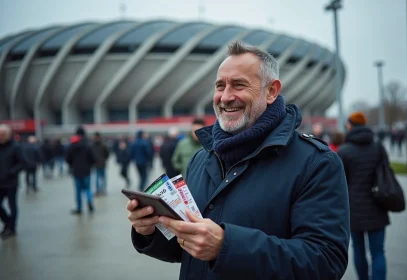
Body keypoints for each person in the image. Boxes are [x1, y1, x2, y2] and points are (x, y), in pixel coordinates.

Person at [127, 41, 350, 279]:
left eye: (239, 85)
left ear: (271, 91)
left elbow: (326, 262)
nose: (225, 97)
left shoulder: (316, 163)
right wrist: (150, 231)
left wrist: (226, 247)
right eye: (220, 86)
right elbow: (189, 247)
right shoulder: (201, 160)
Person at [338, 112, 389, 280]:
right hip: (378, 205)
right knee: (378, 252)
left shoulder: (344, 151)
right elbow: (386, 173)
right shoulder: (377, 146)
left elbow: (339, 183)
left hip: (354, 209)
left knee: (358, 250)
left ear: (350, 125)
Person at [0, 124, 25, 239]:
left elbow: (22, 163)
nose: (1, 137)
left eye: (3, 134)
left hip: (11, 182)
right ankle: (7, 222)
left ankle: (11, 228)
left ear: (9, 135)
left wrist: (12, 172)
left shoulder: (15, 147)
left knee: (12, 206)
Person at [65, 127, 96, 215]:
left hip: (76, 171)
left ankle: (79, 208)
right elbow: (92, 158)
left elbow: (67, 158)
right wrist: (90, 165)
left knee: (78, 190)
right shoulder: (87, 144)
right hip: (86, 170)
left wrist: (72, 165)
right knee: (88, 188)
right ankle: (89, 201)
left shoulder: (72, 145)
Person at [92, 132, 110, 196]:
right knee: (102, 177)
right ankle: (103, 190)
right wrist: (104, 159)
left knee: (98, 178)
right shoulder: (103, 144)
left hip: (97, 164)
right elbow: (107, 154)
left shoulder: (93, 145)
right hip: (102, 163)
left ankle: (99, 191)